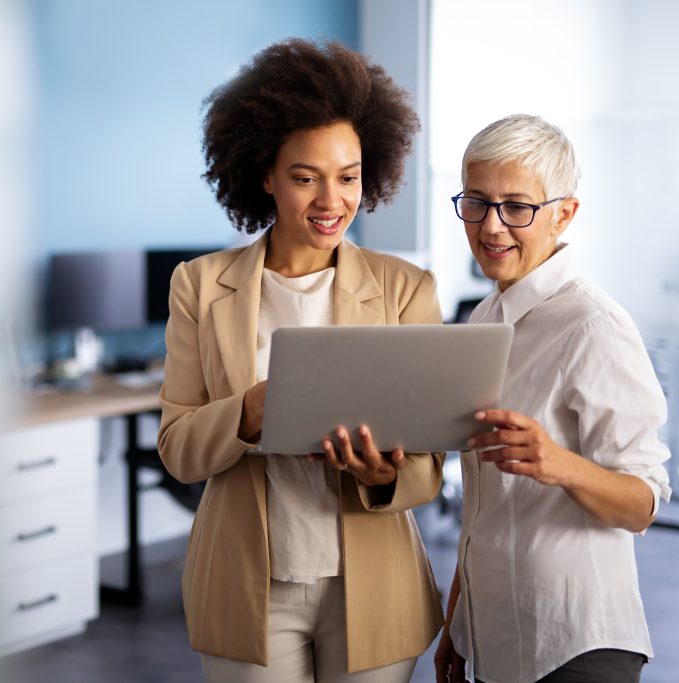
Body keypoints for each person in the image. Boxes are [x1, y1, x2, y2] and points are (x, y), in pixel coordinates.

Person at [157, 39, 445, 682]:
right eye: (305, 177)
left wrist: (382, 475)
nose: (331, 200)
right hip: (246, 584)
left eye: (348, 177)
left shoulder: (406, 290)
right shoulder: (199, 286)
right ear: (266, 174)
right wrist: (250, 411)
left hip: (373, 581)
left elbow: (429, 468)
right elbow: (178, 450)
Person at [435, 114, 671, 683]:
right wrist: (458, 625)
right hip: (497, 638)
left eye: (517, 207)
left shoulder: (593, 324)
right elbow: (483, 508)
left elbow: (643, 503)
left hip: (576, 644)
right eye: (477, 202)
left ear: (564, 214)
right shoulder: (484, 318)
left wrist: (558, 463)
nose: (492, 226)